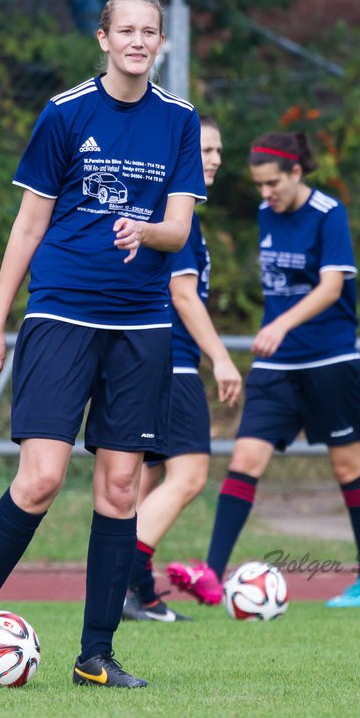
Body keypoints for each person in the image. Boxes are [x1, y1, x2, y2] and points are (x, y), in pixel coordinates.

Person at [0, 0, 207, 688]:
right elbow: (27, 225)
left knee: (119, 490)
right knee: (42, 477)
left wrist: (145, 231)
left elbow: (177, 228)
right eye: (126, 30)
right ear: (104, 38)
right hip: (61, 314)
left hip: (142, 325)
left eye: (150, 32)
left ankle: (96, 656)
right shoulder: (64, 113)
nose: (138, 41)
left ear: (160, 44)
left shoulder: (179, 121)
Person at [166, 131, 360, 609]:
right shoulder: (266, 214)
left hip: (329, 361)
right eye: (258, 185)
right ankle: (212, 572)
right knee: (245, 460)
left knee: (347, 466)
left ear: (295, 172)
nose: (265, 194)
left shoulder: (330, 215)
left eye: (273, 183)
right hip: (275, 366)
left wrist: (283, 323)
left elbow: (331, 288)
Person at [121, 116, 243, 623]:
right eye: (205, 150)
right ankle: (127, 573)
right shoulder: (178, 214)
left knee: (141, 481)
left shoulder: (164, 206)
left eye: (218, 150)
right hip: (171, 361)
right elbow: (182, 294)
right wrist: (221, 358)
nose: (213, 159)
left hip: (143, 358)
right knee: (189, 475)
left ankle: (131, 591)